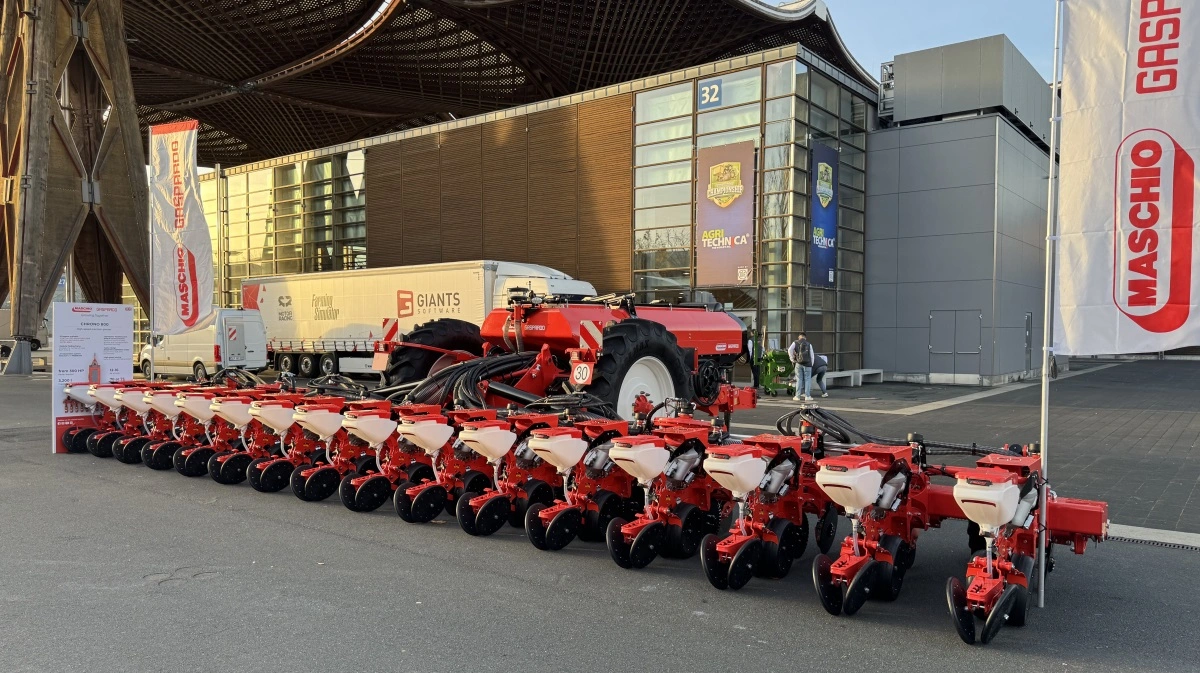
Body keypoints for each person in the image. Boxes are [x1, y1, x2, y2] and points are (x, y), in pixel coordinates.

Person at [787, 332, 814, 402]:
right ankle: (807, 396)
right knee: (807, 379)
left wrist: (792, 359)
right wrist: (811, 364)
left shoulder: (795, 343)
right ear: (805, 338)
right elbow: (812, 355)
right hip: (808, 364)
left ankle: (797, 396)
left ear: (799, 337)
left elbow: (789, 350)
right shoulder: (809, 344)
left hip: (798, 363)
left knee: (799, 379)